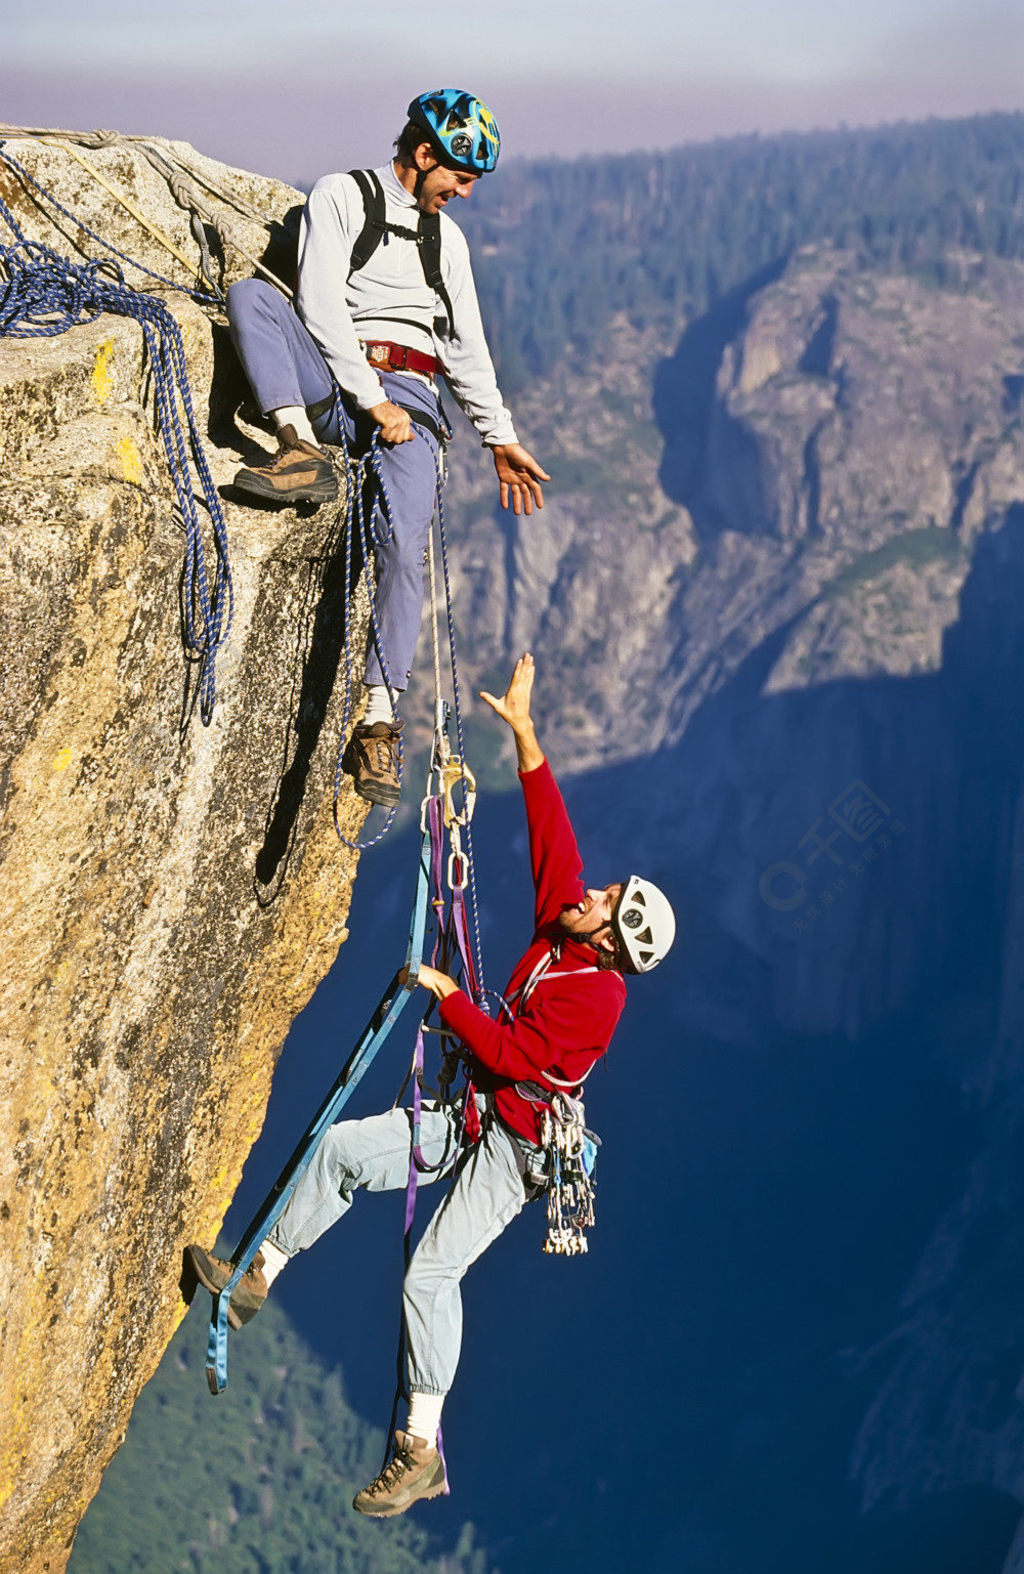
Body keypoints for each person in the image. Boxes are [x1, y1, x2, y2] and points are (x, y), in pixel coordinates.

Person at [185, 653, 675, 1518]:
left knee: (428, 1274)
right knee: (341, 1151)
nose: (592, 889)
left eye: (606, 900)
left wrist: (449, 999)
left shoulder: (595, 999)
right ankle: (252, 1275)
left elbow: (517, 1058)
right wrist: (524, 733)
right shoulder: (566, 933)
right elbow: (553, 840)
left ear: (610, 943)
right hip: (480, 1110)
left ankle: (420, 1449)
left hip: (516, 1149)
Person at [224, 90, 550, 807]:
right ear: (424, 153)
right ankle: (295, 446)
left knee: (407, 540)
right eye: (459, 176)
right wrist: (367, 399)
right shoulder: (344, 197)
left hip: (412, 400)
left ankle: (376, 717)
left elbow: (465, 349)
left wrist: (500, 438)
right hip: (344, 385)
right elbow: (317, 302)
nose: (463, 193)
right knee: (251, 297)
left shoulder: (447, 243)